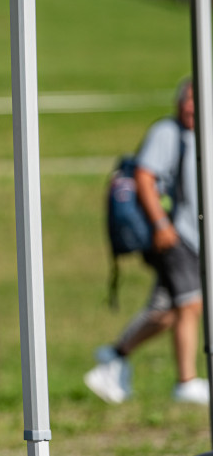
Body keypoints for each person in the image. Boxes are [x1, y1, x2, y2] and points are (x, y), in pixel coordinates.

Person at [87, 77, 209, 405]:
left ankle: (114, 358)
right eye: (187, 100)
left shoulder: (201, 135)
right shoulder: (167, 133)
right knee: (190, 304)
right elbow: (144, 176)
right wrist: (159, 224)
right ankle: (186, 381)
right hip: (173, 232)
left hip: (195, 236)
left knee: (166, 310)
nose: (190, 107)